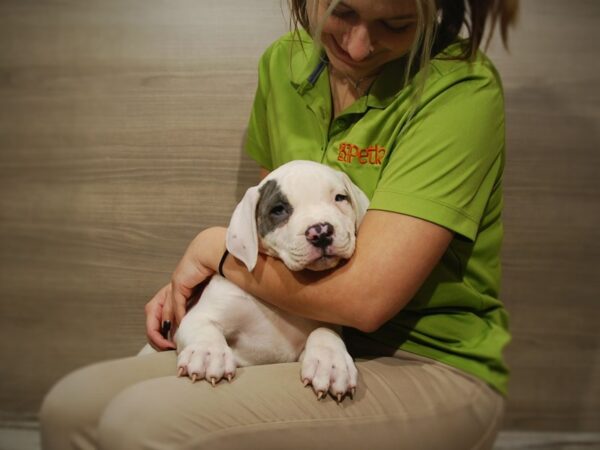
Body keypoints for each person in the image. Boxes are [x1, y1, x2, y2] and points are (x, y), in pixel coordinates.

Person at [40, 0, 518, 449]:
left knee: (140, 423)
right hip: (296, 330)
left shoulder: (459, 86)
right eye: (341, 12)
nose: (356, 47)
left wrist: (216, 252)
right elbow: (272, 217)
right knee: (71, 408)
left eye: (395, 25)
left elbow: (366, 301)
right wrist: (215, 300)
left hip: (425, 357)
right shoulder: (285, 64)